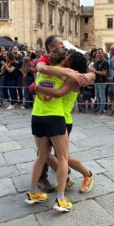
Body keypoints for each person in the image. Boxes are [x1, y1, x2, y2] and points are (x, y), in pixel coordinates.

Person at [31, 51, 96, 194]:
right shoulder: (66, 74)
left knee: (62, 157)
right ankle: (65, 177)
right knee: (47, 155)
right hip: (54, 118)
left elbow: (58, 93)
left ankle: (88, 175)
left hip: (63, 120)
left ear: (72, 63)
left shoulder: (73, 79)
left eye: (68, 59)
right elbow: (44, 68)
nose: (64, 61)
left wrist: (36, 87)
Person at [25, 48, 75, 212]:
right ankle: (60, 199)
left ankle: (33, 193)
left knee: (42, 156)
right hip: (54, 117)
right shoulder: (64, 74)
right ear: (63, 61)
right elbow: (83, 78)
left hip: (37, 116)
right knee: (63, 158)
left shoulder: (40, 74)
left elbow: (40, 69)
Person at [89, 48, 109, 114]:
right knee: (97, 95)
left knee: (102, 96)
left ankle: (102, 109)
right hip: (96, 81)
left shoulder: (105, 62)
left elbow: (104, 73)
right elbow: (93, 70)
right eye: (97, 53)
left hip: (103, 81)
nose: (98, 54)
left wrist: (94, 71)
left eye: (100, 53)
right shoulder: (96, 62)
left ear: (103, 54)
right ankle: (98, 108)